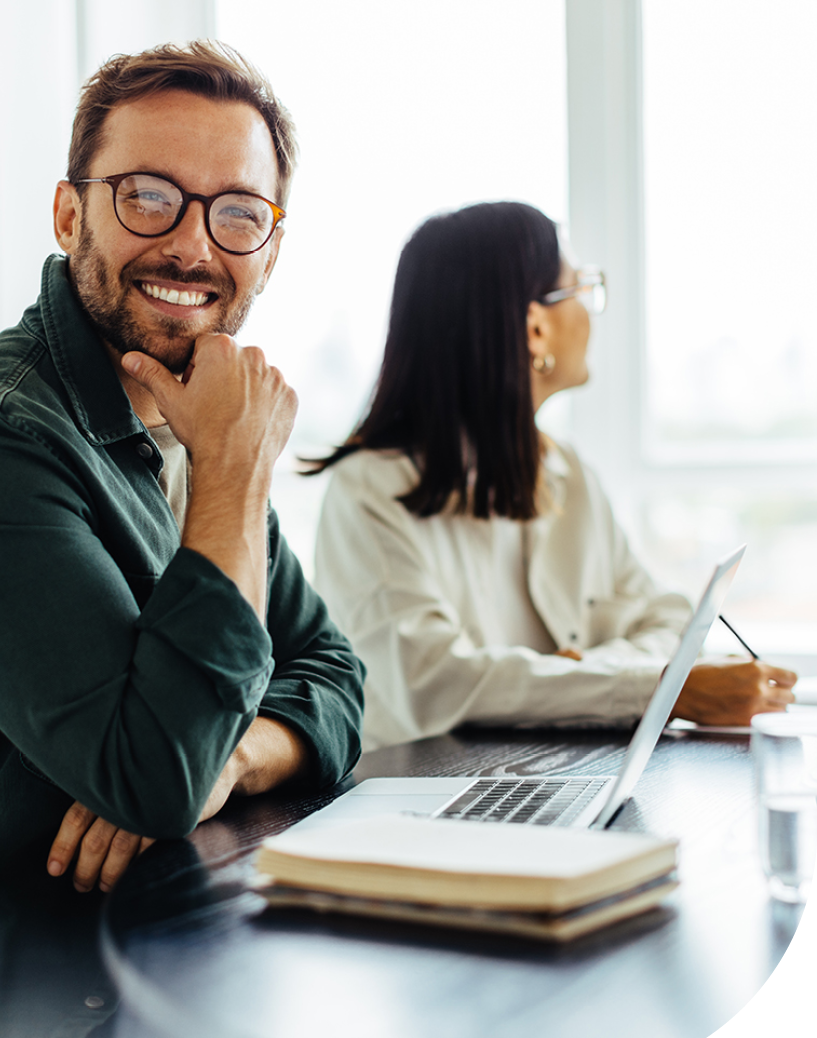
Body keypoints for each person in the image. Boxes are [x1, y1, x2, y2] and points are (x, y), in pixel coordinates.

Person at [0, 41, 363, 1038]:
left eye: (237, 212)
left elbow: (332, 677)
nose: (193, 246)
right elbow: (154, 781)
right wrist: (236, 476)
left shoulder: (195, 427)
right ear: (71, 217)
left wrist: (229, 761)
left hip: (148, 949)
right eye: (149, 197)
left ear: (269, 250)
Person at [309, 201, 794, 752]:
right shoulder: (369, 491)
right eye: (580, 289)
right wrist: (659, 688)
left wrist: (585, 670)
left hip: (559, 769)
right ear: (535, 328)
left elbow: (669, 619)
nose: (591, 312)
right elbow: (438, 684)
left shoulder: (569, 473)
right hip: (426, 791)